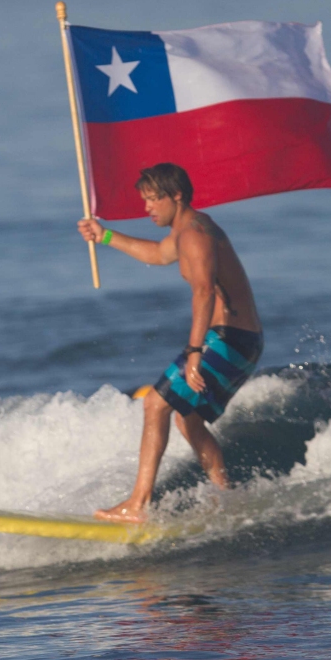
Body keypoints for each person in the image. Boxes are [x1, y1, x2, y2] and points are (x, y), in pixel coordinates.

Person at [78, 163, 263, 523]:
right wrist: (104, 237)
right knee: (187, 419)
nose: (147, 207)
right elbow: (158, 255)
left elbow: (204, 291)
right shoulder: (185, 231)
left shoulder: (195, 234)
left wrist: (194, 353)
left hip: (227, 339)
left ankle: (138, 504)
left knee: (155, 404)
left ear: (176, 196)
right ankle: (226, 497)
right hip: (239, 339)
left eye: (152, 199)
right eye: (144, 199)